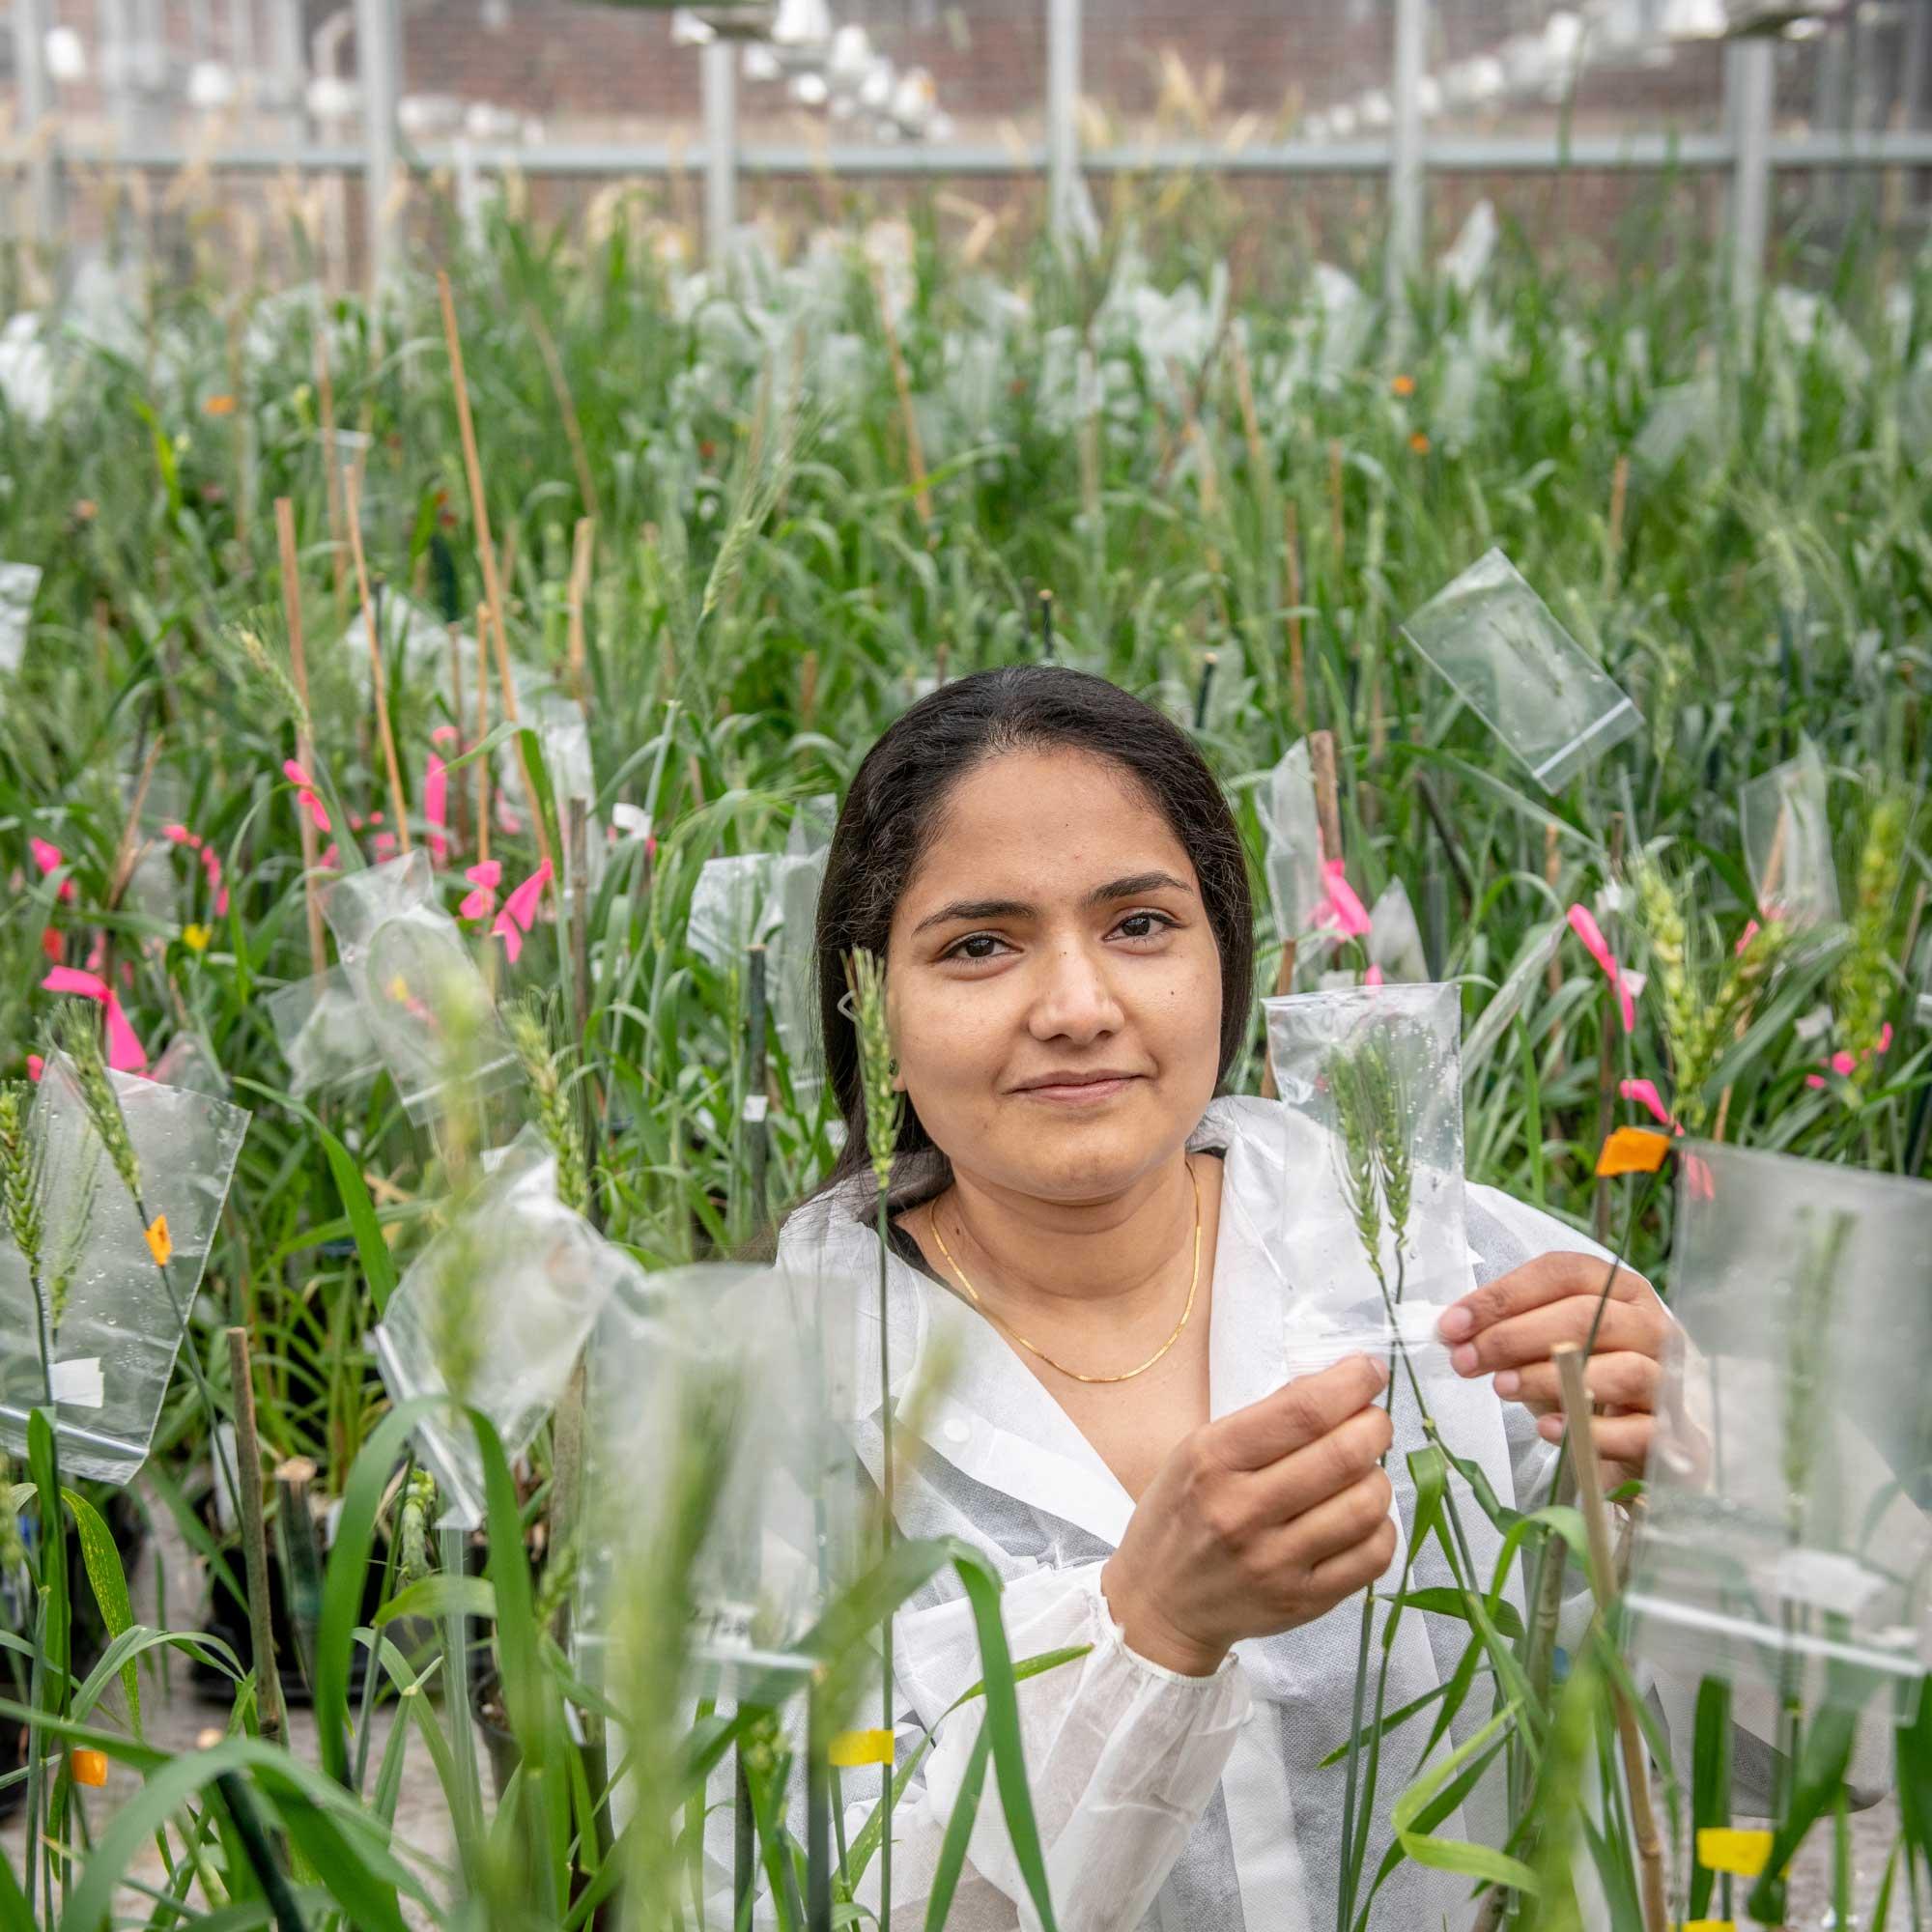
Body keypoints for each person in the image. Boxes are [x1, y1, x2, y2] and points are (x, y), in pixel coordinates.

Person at [774, 665, 1672, 1930]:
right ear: (871, 1003)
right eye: (980, 945)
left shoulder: (1432, 1263)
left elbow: (1771, 1758)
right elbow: (781, 1891)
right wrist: (1145, 1628)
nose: (1079, 1009)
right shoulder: (775, 1390)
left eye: (1139, 925)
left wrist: (1683, 1485)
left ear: (1224, 955)